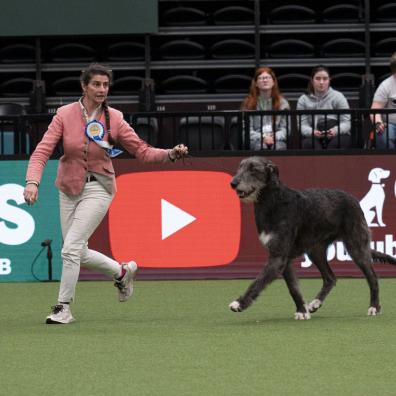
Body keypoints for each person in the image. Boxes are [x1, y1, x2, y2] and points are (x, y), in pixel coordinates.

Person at [23, 63, 188, 324]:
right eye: (96, 84)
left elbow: (142, 151)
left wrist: (170, 154)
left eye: (105, 85)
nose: (102, 89)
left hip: (99, 187)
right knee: (77, 250)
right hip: (67, 188)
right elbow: (42, 151)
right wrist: (33, 182)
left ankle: (62, 308)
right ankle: (122, 273)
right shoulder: (64, 114)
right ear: (84, 86)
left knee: (70, 249)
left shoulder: (116, 118)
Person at [297, 65, 351, 149]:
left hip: (337, 133)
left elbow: (346, 122)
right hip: (314, 134)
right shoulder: (303, 99)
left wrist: (335, 131)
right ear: (312, 80)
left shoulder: (338, 96)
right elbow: (302, 125)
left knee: (337, 144)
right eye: (318, 78)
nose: (321, 82)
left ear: (329, 80)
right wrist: (313, 132)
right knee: (309, 144)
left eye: (325, 79)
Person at [241, 67, 290, 150]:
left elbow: (285, 129)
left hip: (277, 140)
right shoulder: (248, 103)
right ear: (256, 83)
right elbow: (246, 131)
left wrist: (274, 137)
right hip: (256, 140)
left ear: (273, 82)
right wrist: (263, 137)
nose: (265, 80)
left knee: (278, 147)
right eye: (261, 78)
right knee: (260, 147)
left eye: (268, 78)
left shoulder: (283, 103)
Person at [371, 52, 396, 149]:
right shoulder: (385, 85)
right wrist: (378, 122)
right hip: (391, 125)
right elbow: (375, 110)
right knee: (383, 136)